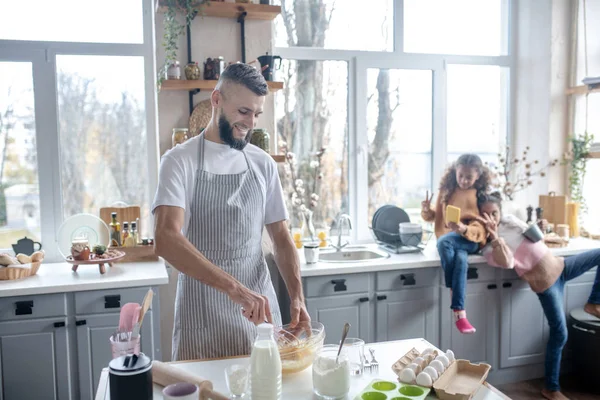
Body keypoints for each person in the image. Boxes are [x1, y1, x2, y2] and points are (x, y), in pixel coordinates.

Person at [152, 63, 309, 361]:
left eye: (256, 114)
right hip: (201, 315)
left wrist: (297, 296)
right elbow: (165, 238)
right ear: (216, 100)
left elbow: (281, 237)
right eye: (242, 111)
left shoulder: (262, 163)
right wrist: (236, 290)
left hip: (259, 315)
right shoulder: (178, 161)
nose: (250, 122)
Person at [478, 192, 600, 400]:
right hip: (547, 285)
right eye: (485, 215)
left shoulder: (509, 220)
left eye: (495, 213)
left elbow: (535, 238)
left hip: (561, 266)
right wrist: (495, 236)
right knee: (560, 333)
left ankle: (593, 303)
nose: (492, 218)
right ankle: (551, 388)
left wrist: (539, 227)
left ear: (501, 211)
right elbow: (507, 262)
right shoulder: (488, 248)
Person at [421, 154, 489, 334]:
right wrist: (427, 210)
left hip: (470, 240)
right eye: (461, 176)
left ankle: (452, 288)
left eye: (469, 177)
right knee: (460, 260)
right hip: (451, 242)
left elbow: (483, 228)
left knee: (444, 243)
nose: (464, 181)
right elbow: (435, 218)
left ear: (478, 176)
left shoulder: (480, 196)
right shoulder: (446, 192)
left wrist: (463, 229)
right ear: (455, 172)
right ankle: (460, 314)